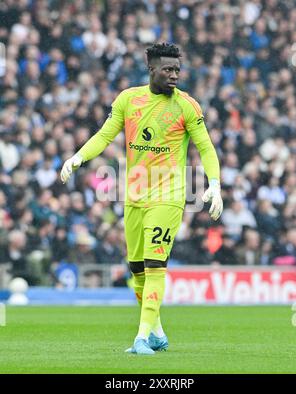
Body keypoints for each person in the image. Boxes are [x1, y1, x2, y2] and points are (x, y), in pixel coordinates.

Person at [60, 43, 223, 355]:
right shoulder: (128, 99)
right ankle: (158, 331)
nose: (174, 75)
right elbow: (105, 135)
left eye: (177, 70)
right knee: (136, 269)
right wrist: (77, 158)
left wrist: (214, 184)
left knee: (154, 265)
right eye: (168, 70)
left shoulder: (187, 106)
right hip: (134, 195)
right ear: (151, 69)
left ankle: (141, 337)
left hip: (170, 195)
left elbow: (206, 147)